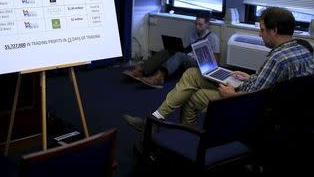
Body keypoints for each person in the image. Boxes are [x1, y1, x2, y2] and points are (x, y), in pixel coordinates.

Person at [123, 7, 314, 131]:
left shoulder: (277, 58)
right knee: (191, 73)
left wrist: (233, 95)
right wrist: (249, 77)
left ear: (274, 30)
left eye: (262, 30)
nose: (260, 34)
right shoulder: (304, 47)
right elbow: (275, 86)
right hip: (284, 110)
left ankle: (161, 126)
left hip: (251, 105)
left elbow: (260, 97)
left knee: (193, 95)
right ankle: (157, 121)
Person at [123, 12, 220, 89]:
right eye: (196, 24)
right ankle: (141, 70)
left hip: (199, 64)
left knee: (180, 55)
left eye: (200, 24)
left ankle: (159, 78)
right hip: (187, 58)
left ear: (207, 24)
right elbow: (185, 48)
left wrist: (198, 56)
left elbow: (215, 62)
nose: (197, 27)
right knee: (167, 51)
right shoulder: (191, 33)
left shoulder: (213, 38)